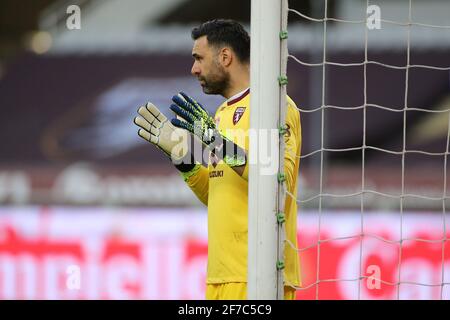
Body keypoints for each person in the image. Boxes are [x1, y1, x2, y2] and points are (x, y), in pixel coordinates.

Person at [134, 19, 301, 300]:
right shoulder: (222, 114)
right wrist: (183, 157)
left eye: (198, 58)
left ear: (225, 57)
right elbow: (217, 191)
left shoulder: (273, 104)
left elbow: (276, 179)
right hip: (221, 276)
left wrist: (213, 139)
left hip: (258, 274)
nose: (194, 68)